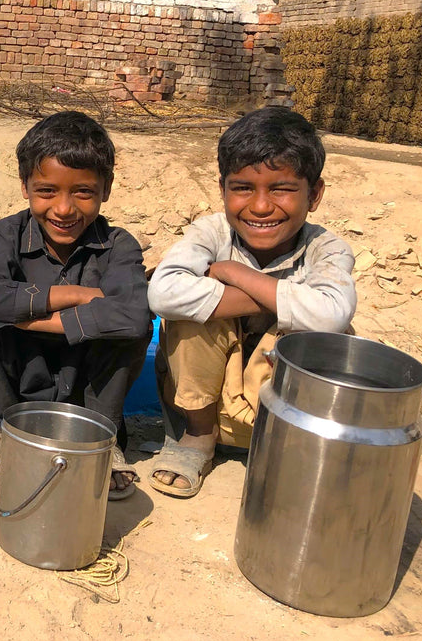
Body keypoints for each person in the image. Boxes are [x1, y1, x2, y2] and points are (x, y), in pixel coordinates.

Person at [0, 111, 153, 500]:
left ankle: (102, 437)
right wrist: (74, 296)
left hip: (86, 386)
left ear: (106, 188)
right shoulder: (5, 235)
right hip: (18, 375)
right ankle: (0, 423)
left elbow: (134, 317)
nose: (64, 209)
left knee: (128, 334)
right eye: (47, 191)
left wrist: (23, 317)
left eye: (83, 192)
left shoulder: (119, 245)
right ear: (25, 187)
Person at [146, 106, 356, 498]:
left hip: (282, 417)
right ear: (222, 188)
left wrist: (236, 274)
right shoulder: (211, 232)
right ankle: (198, 438)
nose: (260, 207)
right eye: (242, 187)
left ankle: (279, 449)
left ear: (315, 194)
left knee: (328, 332)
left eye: (281, 189)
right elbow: (163, 293)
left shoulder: (326, 249)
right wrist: (279, 300)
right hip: (205, 407)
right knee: (190, 319)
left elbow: (331, 314)